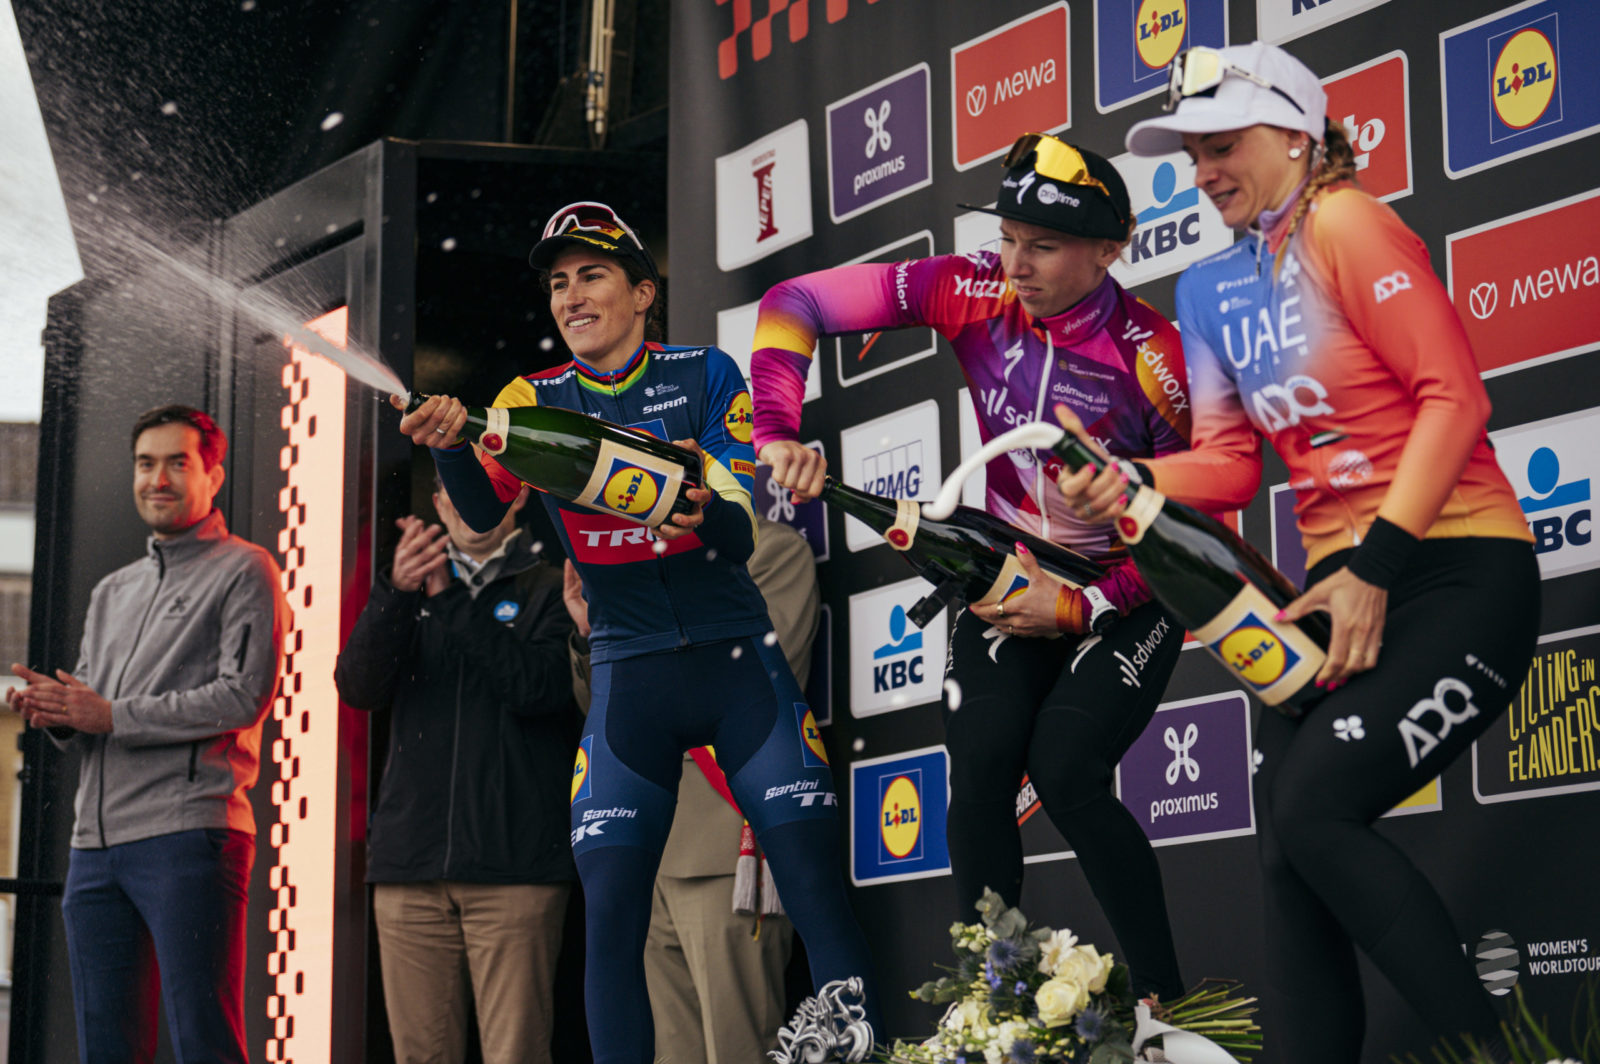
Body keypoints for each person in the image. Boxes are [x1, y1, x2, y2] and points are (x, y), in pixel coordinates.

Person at [1057, 42, 1540, 1060]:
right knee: (1285, 848)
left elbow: (1456, 399)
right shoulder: (1206, 288)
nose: (1202, 172)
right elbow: (1230, 463)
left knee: (1314, 809)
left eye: (1222, 144)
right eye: (1192, 153)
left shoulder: (1347, 224)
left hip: (1454, 569)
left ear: (1295, 135)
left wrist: (1374, 569)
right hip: (1335, 587)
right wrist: (1128, 479)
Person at [392, 201, 878, 1064]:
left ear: (643, 293)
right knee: (611, 917)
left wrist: (693, 507)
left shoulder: (703, 373)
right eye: (558, 283)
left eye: (592, 275)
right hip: (630, 678)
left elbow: (739, 527)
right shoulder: (531, 398)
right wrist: (451, 447)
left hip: (737, 665)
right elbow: (480, 514)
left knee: (815, 891)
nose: (571, 296)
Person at [752, 135, 1190, 999]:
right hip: (1008, 566)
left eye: (1043, 246)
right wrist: (776, 429)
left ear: (1111, 249)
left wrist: (1084, 607)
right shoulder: (971, 289)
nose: (1015, 265)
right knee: (982, 762)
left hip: (1129, 590)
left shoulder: (1156, 357)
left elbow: (1192, 529)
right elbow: (792, 300)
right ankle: (996, 1007)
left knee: (1066, 769)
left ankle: (1169, 1008)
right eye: (1007, 238)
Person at [6, 405, 289, 1064]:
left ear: (213, 476)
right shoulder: (112, 591)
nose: (157, 479)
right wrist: (58, 711)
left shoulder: (246, 569)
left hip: (189, 836)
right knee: (105, 1048)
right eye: (145, 463)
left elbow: (244, 696)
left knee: (204, 1041)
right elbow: (95, 705)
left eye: (177, 463)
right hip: (94, 849)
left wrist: (111, 715)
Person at [333, 479, 577, 1064]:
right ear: (439, 503)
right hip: (409, 868)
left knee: (516, 1054)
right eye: (455, 491)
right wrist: (395, 591)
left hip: (515, 869)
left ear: (518, 497)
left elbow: (537, 690)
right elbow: (358, 688)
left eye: (488, 487)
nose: (469, 501)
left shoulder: (553, 586)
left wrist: (448, 600)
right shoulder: (407, 588)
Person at [563, 512, 819, 1064]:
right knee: (667, 1052)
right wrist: (593, 630)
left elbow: (761, 686)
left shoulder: (771, 549)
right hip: (645, 850)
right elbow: (610, 718)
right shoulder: (622, 556)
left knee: (738, 1048)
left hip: (722, 845)